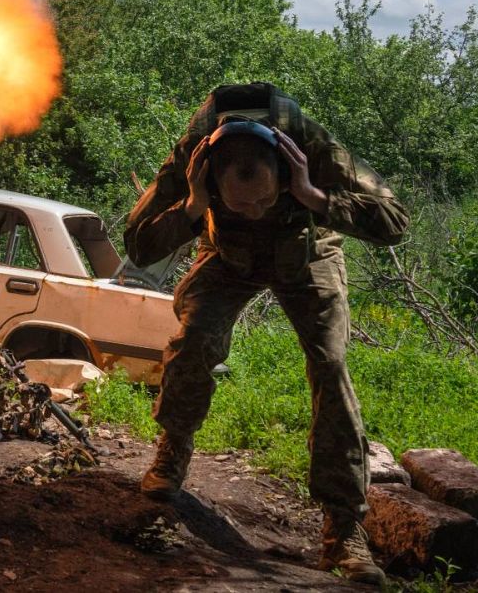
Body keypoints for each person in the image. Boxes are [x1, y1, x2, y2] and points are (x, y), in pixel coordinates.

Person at [124, 82, 408, 586]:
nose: (254, 212)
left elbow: (394, 219)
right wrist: (193, 207)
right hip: (225, 255)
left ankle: (343, 530)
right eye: (241, 204)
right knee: (193, 342)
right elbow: (139, 243)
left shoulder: (311, 146)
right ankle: (174, 447)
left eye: (262, 202)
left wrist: (313, 196)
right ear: (212, 179)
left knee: (331, 365)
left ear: (286, 166)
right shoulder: (194, 153)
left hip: (305, 252)